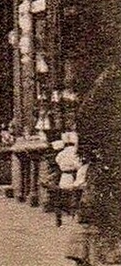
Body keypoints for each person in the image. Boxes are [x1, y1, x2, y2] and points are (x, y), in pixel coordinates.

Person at [72, 62, 121, 265]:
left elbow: (84, 118)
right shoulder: (110, 79)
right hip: (109, 163)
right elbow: (86, 118)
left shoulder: (107, 78)